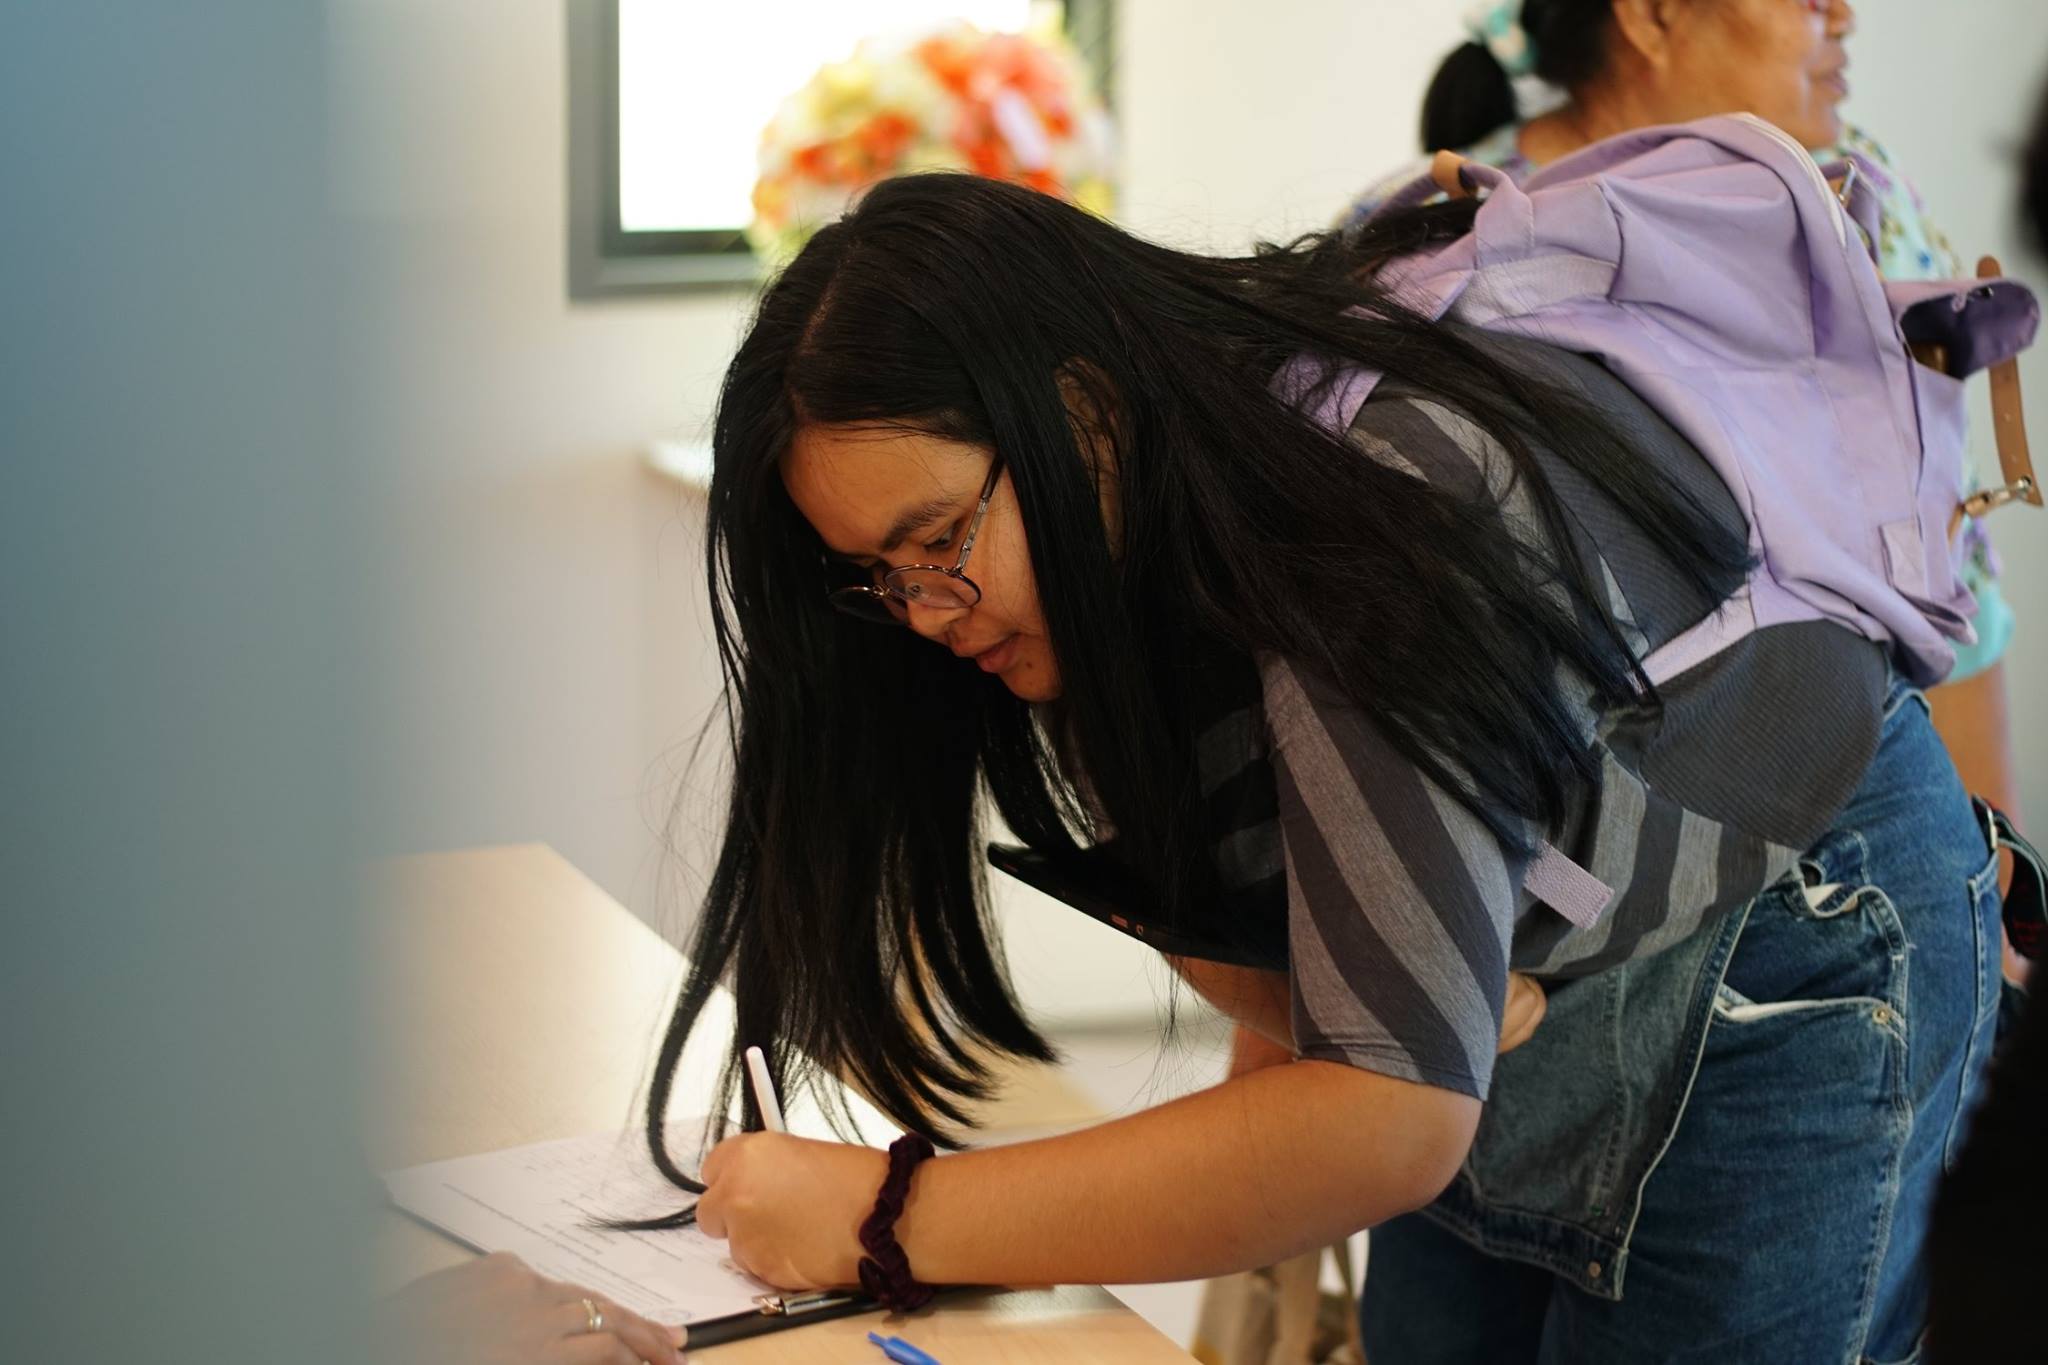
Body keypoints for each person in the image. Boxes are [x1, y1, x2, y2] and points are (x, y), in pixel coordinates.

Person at [638, 169, 2003, 1364]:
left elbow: (1385, 1120)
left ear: (1078, 407)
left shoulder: (1363, 527)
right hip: (1554, 998)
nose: (927, 614)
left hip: (1794, 943)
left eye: (937, 541)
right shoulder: (1106, 567)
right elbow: (1318, 1006)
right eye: (878, 579)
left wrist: (887, 1217)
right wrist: (1368, 1021)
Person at [1347, 0, 2026, 911]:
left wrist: (1993, 898)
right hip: (1559, 880)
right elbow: (1348, 636)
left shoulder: (1857, 200)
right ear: (1651, 14)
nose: (1844, 17)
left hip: (1854, 856)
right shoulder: (1439, 227)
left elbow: (1949, 579)